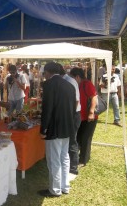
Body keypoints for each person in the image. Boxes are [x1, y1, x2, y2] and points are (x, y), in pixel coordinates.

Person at [38, 62, 76, 197]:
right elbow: (73, 108)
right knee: (64, 157)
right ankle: (65, 186)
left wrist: (43, 129)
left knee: (54, 159)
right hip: (67, 126)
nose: (44, 76)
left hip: (54, 127)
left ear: (48, 72)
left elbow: (47, 110)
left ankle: (55, 190)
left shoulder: (49, 85)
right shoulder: (70, 85)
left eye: (44, 73)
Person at [70, 67, 98, 166]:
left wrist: (91, 112)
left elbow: (94, 97)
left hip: (89, 117)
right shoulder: (77, 85)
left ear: (77, 77)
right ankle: (76, 157)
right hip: (80, 117)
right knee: (78, 137)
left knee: (86, 138)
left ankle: (83, 160)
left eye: (72, 77)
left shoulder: (87, 84)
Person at [58, 64, 81, 179]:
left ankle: (73, 169)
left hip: (73, 115)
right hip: (69, 115)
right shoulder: (64, 80)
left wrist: (69, 116)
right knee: (68, 141)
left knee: (72, 141)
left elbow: (76, 101)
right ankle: (67, 165)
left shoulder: (70, 81)